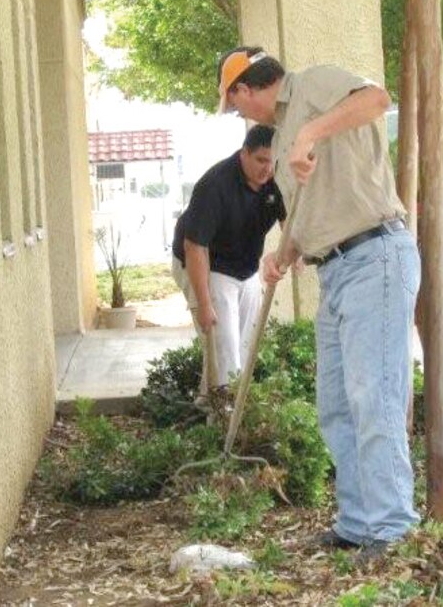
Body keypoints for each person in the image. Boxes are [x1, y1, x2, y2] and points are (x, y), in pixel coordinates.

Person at [217, 46, 421, 557]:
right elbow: (308, 211)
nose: (238, 113)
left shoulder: (312, 84)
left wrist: (312, 133)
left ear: (246, 88)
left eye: (234, 103)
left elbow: (377, 99)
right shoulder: (283, 131)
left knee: (375, 397)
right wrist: (281, 254)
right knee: (336, 404)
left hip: (375, 255)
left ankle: (393, 530)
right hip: (335, 271)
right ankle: (357, 523)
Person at [172, 124, 285, 391]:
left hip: (245, 267)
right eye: (260, 160)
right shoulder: (214, 185)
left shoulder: (276, 180)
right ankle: (223, 417)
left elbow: (290, 222)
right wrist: (204, 303)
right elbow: (194, 247)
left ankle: (209, 404)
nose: (267, 169)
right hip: (206, 264)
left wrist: (288, 256)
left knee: (241, 347)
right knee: (224, 348)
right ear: (244, 153)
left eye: (272, 162)